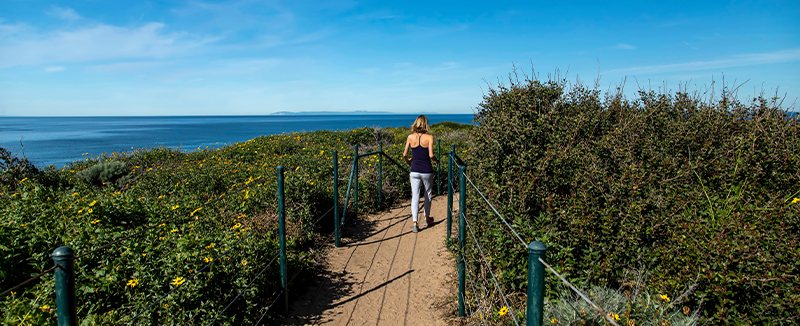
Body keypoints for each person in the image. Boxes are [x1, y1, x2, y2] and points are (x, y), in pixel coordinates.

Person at [403, 115, 439, 233]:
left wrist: (408, 161)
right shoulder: (429, 137)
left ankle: (415, 223)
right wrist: (436, 161)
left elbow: (404, 154)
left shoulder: (410, 137)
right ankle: (426, 218)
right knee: (428, 194)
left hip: (414, 170)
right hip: (426, 170)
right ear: (426, 124)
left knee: (415, 196)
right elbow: (431, 155)